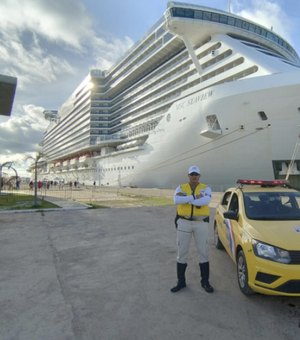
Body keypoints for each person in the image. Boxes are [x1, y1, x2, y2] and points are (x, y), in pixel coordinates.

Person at [171, 165, 214, 293]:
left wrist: (187, 200)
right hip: (184, 222)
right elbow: (176, 200)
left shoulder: (206, 188)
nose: (194, 177)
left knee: (203, 252)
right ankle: (181, 282)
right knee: (182, 252)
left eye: (196, 174)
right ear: (188, 176)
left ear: (199, 176)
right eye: (192, 174)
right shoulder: (181, 187)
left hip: (200, 223)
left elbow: (205, 201)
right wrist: (194, 198)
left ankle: (205, 282)